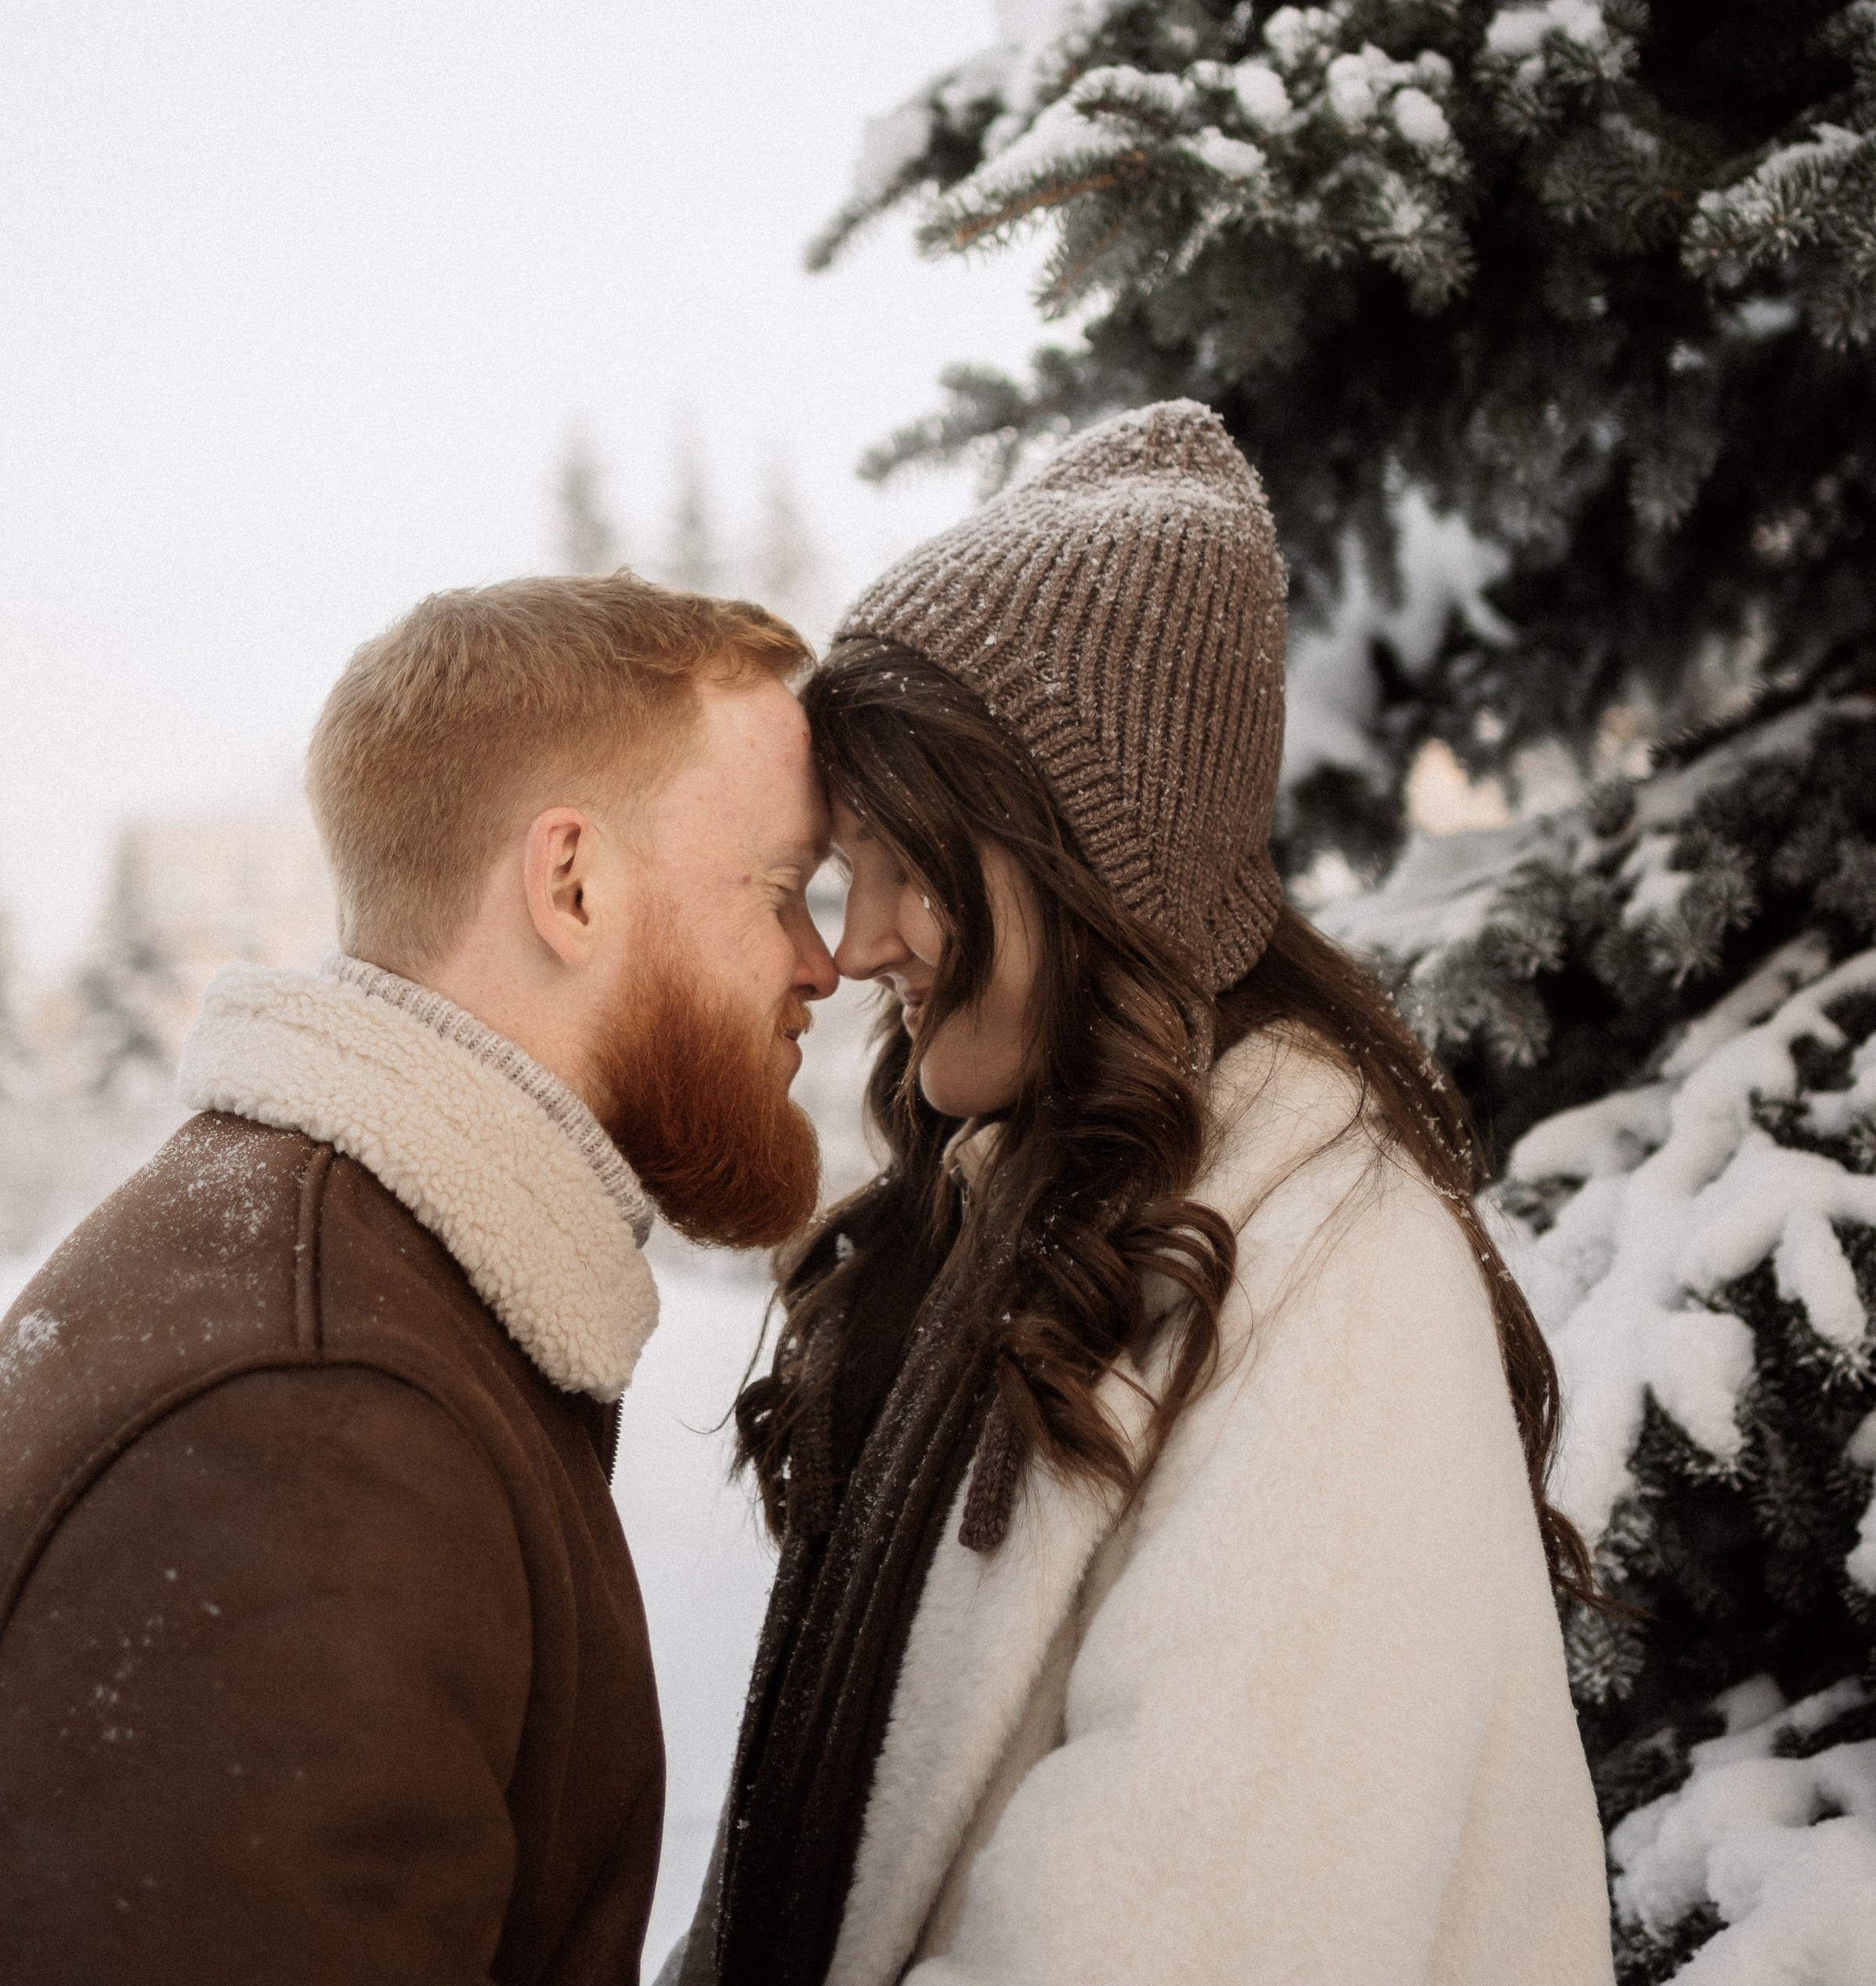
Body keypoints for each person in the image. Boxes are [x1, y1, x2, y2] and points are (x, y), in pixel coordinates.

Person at [677, 403, 1614, 1986]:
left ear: (1091, 870)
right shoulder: (1013, 1212)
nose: (858, 942)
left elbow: (1196, 1931)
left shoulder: (1332, 1269)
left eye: (912, 866)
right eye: (848, 866)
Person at [0, 573, 837, 1985]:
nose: (825, 962)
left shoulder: (355, 1298)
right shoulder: (308, 1422)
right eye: (780, 890)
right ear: (572, 886)